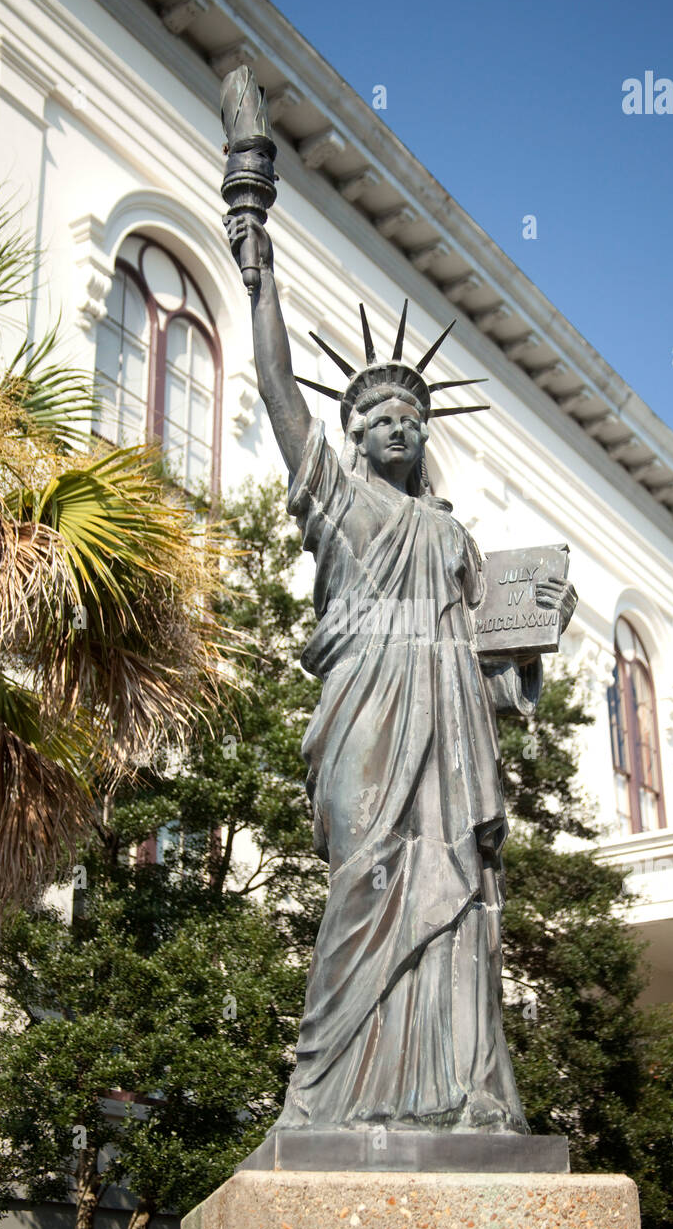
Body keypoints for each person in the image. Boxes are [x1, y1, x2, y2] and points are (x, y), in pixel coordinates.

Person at [228, 214, 577, 1132]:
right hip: (365, 722)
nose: (398, 427)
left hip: (452, 734)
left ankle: (461, 1093)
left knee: (456, 903)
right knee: (367, 881)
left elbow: (486, 663)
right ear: (350, 433)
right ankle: (319, 1095)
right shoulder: (338, 505)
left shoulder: (453, 537)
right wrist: (258, 262)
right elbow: (274, 388)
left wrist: (527, 646)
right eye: (378, 417)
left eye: (411, 418)